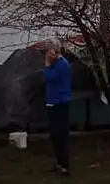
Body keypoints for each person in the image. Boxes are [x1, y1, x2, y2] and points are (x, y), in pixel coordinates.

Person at [44, 38, 72, 176]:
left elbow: (49, 77)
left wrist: (47, 64)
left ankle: (65, 166)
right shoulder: (57, 64)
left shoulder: (61, 64)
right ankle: (59, 162)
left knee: (60, 135)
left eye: (48, 51)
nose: (47, 55)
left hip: (60, 103)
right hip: (52, 102)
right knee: (55, 136)